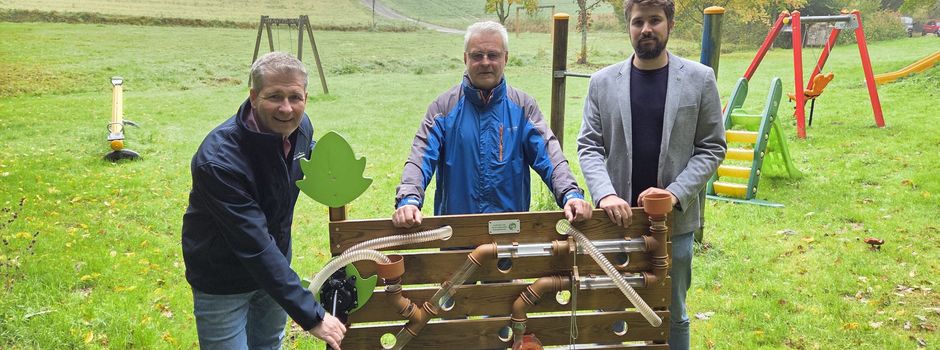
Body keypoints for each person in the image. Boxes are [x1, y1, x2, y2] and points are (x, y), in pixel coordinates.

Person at [576, 1, 726, 348]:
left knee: (671, 311)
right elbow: (588, 146)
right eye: (638, 21)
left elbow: (712, 147)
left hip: (675, 224)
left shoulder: (699, 79)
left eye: (654, 20)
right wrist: (605, 194)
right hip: (615, 220)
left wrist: (674, 194)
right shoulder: (602, 83)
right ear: (628, 26)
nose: (646, 29)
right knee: (609, 309)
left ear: (669, 24)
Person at [182, 52, 346, 349]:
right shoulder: (219, 161)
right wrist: (312, 315)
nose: (286, 108)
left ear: (306, 97)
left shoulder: (301, 129)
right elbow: (254, 244)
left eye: (295, 97)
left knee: (269, 345)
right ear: (254, 96)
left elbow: (309, 155)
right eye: (275, 96)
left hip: (275, 272)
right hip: (223, 281)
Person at [392, 20, 592, 228]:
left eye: (493, 55)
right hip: (456, 234)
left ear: (506, 58)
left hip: (510, 232)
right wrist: (409, 199)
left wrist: (570, 194)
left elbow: (550, 156)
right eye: (477, 55)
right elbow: (420, 157)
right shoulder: (443, 108)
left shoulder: (524, 107)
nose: (485, 62)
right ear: (465, 58)